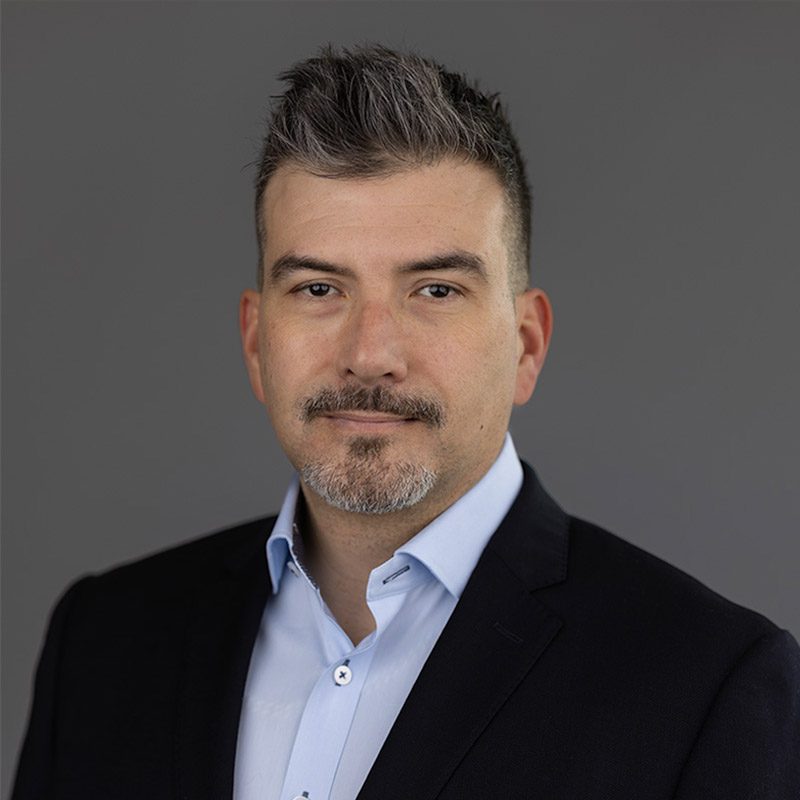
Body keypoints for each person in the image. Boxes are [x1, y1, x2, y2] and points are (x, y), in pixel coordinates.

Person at [12, 44, 800, 800]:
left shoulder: (707, 686)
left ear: (526, 345)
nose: (370, 353)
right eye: (319, 289)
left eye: (435, 290)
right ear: (256, 342)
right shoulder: (105, 641)